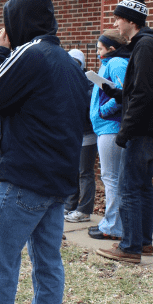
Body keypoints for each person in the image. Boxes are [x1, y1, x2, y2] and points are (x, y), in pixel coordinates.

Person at [0, 0, 89, 304]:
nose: (4, 30)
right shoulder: (69, 63)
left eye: (7, 22)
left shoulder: (29, 54)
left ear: (20, 22)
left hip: (23, 184)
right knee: (48, 270)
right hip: (57, 186)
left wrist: (0, 51)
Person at [96, 0, 153, 264]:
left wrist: (125, 131)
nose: (115, 23)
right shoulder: (148, 46)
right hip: (149, 129)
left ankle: (129, 247)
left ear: (131, 20)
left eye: (118, 18)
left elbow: (143, 95)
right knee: (142, 187)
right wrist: (116, 92)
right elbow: (141, 91)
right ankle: (143, 243)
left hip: (141, 130)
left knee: (130, 186)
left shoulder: (143, 46)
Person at [88, 30, 129, 240]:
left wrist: (103, 111)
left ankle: (113, 227)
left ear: (111, 49)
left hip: (111, 128)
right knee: (111, 178)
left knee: (111, 179)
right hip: (106, 128)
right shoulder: (110, 63)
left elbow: (124, 93)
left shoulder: (117, 63)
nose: (97, 53)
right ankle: (111, 223)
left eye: (100, 49)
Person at [63, 49, 97, 223]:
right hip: (72, 134)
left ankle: (84, 210)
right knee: (72, 171)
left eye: (77, 63)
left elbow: (90, 105)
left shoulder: (89, 82)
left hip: (87, 133)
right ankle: (70, 206)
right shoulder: (64, 80)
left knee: (85, 172)